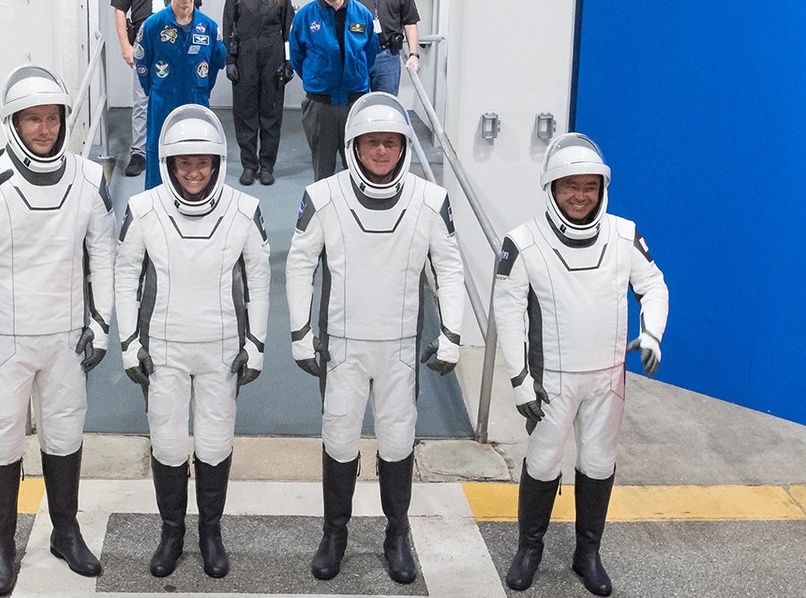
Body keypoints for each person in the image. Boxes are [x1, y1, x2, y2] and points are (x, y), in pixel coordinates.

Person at [0, 64, 115, 596]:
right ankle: (0, 545)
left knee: (65, 431)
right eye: (32, 118)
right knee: (1, 436)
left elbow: (103, 255)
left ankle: (66, 531)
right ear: (12, 120)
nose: (44, 128)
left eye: (52, 118)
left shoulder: (90, 177)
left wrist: (100, 325)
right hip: (2, 336)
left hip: (65, 334)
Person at [285, 92, 465, 585]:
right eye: (372, 143)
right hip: (342, 346)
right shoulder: (323, 197)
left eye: (390, 142)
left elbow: (450, 269)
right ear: (354, 146)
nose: (381, 151)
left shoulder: (431, 201)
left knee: (396, 442)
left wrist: (453, 333)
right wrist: (301, 332)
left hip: (400, 348)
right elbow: (299, 263)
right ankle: (334, 534)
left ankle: (396, 533)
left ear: (403, 146)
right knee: (339, 439)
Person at [491, 133, 669, 597]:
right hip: (550, 384)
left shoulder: (624, 234)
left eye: (589, 186)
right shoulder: (522, 241)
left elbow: (654, 285)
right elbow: (507, 311)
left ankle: (587, 553)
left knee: (598, 461)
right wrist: (518, 380)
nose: (580, 195)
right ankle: (529, 548)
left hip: (607, 379)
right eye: (570, 185)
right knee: (544, 462)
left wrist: (652, 333)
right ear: (550, 186)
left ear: (601, 189)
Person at [115, 105, 270, 580]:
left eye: (203, 162)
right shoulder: (143, 210)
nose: (195, 172)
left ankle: (210, 533)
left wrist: (257, 343)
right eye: (185, 163)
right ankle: (171, 532)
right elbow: (124, 275)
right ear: (169, 164)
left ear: (218, 162)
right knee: (166, 443)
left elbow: (260, 277)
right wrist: (127, 343)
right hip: (162, 350)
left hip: (222, 349)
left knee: (215, 443)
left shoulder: (244, 210)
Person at [111, 0, 198, 178]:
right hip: (145, 43)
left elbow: (194, 5)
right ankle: (140, 152)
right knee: (142, 100)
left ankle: (175, 146)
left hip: (177, 44)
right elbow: (119, 10)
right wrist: (125, 46)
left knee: (176, 96)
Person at [135, 0, 227, 190]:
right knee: (159, 150)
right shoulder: (153, 25)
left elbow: (216, 63)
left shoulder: (209, 27)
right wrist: (156, 89)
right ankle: (156, 200)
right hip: (163, 101)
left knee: (196, 153)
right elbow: (141, 63)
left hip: (197, 100)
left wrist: (202, 89)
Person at [289, 0, 378, 181]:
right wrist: (317, 76)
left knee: (357, 168)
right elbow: (297, 57)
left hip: (354, 103)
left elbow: (370, 53)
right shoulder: (304, 17)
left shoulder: (363, 15)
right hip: (321, 105)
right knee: (323, 170)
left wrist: (355, 74)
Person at [223, 0, 295, 187]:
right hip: (244, 59)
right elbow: (228, 26)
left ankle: (266, 166)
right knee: (245, 114)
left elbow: (289, 31)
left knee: (271, 114)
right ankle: (248, 165)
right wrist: (230, 60)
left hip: (273, 59)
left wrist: (289, 62)